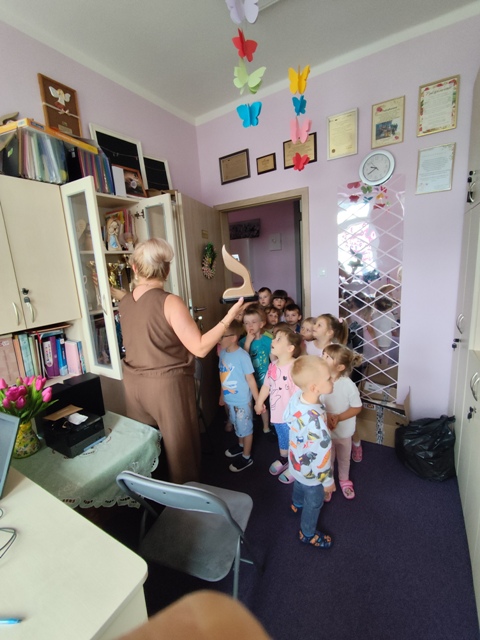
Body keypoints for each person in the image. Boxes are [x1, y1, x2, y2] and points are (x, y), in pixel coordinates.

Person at [118, 237, 244, 484]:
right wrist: (228, 317)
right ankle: (185, 500)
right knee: (181, 453)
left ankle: (148, 495)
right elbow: (199, 348)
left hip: (132, 384)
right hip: (166, 387)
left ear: (134, 268)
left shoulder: (124, 301)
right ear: (166, 270)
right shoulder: (169, 301)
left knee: (143, 448)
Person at [284, 355, 334, 548]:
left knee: (298, 484)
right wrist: (327, 482)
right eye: (328, 379)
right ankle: (307, 533)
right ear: (314, 388)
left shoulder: (297, 397)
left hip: (296, 461)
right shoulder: (318, 428)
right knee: (314, 503)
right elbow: (322, 458)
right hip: (313, 475)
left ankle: (296, 504)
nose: (332, 380)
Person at [255, 329, 302, 483]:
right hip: (277, 413)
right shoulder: (273, 365)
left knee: (295, 441)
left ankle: (295, 466)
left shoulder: (296, 367)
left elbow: (300, 394)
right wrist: (259, 402)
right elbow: (266, 386)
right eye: (275, 338)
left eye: (279, 339)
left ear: (290, 348)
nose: (273, 341)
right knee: (282, 437)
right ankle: (284, 458)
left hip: (293, 417)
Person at [321, 344, 363, 500]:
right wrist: (326, 416)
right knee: (327, 459)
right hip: (325, 431)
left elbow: (357, 407)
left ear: (339, 367)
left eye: (327, 357)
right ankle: (328, 482)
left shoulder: (348, 385)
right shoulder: (320, 380)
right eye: (323, 354)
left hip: (344, 432)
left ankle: (344, 480)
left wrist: (338, 417)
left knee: (344, 458)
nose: (322, 358)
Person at [219, 320, 259, 472]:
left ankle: (246, 457)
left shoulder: (242, 356)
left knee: (246, 428)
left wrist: (258, 401)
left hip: (242, 401)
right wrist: (222, 395)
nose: (218, 339)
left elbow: (250, 379)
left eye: (222, 336)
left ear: (233, 338)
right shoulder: (223, 353)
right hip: (230, 399)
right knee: (237, 424)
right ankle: (241, 445)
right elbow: (222, 376)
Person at [240, 306, 273, 435]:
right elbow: (242, 359)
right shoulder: (242, 342)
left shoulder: (268, 340)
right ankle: (249, 428)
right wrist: (248, 342)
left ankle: (266, 427)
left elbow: (274, 361)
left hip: (264, 380)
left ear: (261, 324)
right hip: (248, 381)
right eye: (246, 323)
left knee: (263, 403)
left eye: (253, 322)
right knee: (249, 404)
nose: (250, 325)